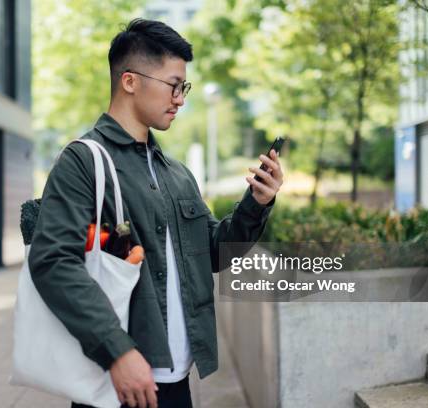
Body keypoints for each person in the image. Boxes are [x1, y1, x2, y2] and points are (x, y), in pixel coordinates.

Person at [28, 18, 283, 408]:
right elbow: (53, 262)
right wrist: (117, 350)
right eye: (174, 85)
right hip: (115, 379)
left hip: (176, 379)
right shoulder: (82, 162)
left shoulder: (177, 173)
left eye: (185, 87)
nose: (181, 98)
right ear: (130, 81)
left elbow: (215, 254)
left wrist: (257, 204)